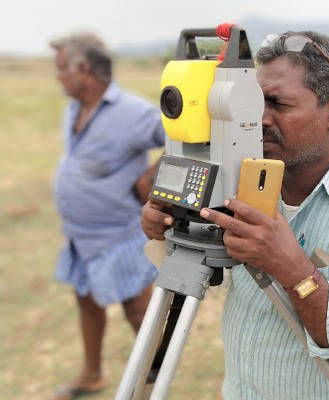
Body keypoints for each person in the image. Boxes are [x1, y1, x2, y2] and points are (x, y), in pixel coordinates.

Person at [142, 31, 329, 399]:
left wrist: (294, 270)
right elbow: (205, 271)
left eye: (278, 104)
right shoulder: (237, 173)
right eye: (254, 100)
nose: (259, 118)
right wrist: (171, 225)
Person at [50, 32, 164, 400]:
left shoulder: (134, 112)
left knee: (137, 309)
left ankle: (155, 381)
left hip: (119, 233)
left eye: (61, 68)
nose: (57, 76)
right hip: (80, 234)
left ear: (83, 69)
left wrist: (150, 179)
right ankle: (92, 375)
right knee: (86, 299)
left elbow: (185, 138)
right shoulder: (74, 109)